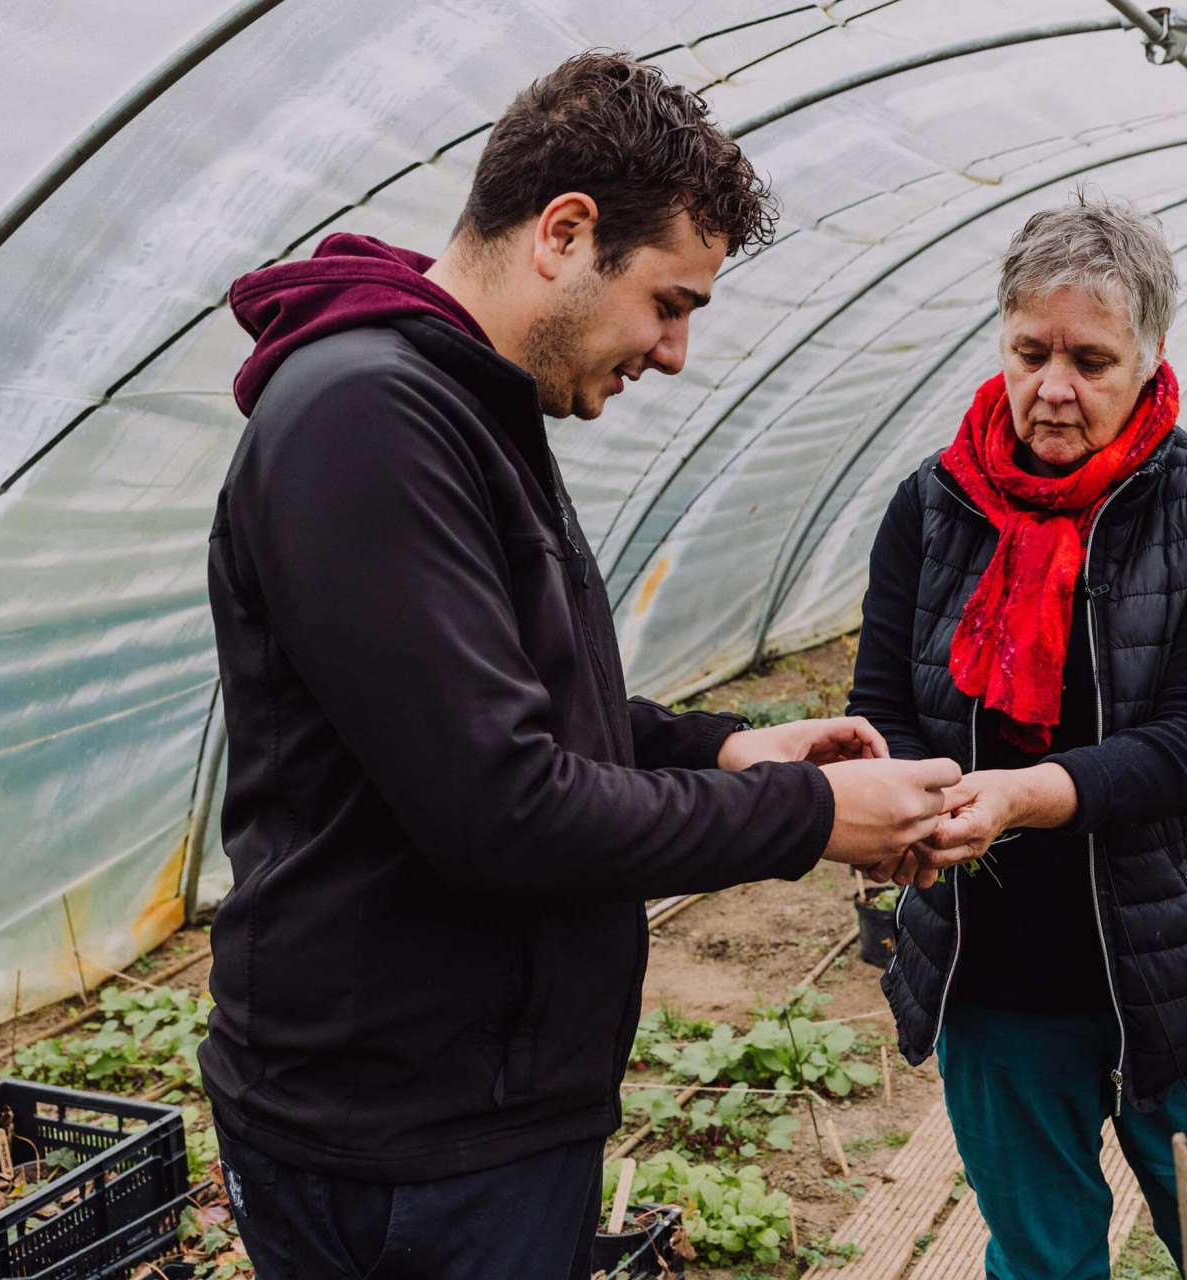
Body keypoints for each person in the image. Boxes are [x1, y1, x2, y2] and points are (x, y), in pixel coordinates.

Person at [201, 52, 966, 1279]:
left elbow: (526, 702)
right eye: (671, 302)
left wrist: (723, 746)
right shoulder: (367, 417)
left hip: (478, 1107)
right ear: (565, 233)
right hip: (404, 1135)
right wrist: (811, 811)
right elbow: (499, 806)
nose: (671, 352)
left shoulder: (467, 406)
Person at [849, 196, 1187, 1278]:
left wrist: (1015, 794)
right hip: (993, 970)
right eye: (1031, 350)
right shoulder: (933, 504)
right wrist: (904, 802)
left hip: (1177, 973)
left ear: (1148, 357)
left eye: (1090, 358)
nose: (1054, 387)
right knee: (1042, 1258)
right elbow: (885, 702)